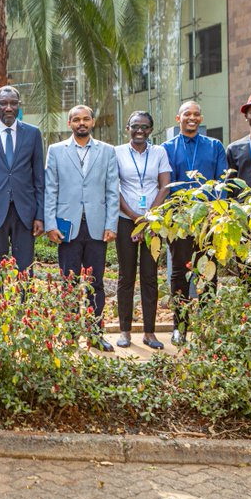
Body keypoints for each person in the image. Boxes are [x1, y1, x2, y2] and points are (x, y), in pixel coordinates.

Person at [43, 105, 119, 352]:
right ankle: (71, 335)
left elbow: (111, 190)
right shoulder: (55, 151)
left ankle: (96, 334)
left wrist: (111, 224)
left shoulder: (107, 151)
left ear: (93, 122)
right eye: (76, 119)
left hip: (97, 227)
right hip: (68, 227)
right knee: (69, 283)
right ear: (70, 124)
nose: (81, 123)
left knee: (96, 283)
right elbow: (50, 189)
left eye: (86, 119)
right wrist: (50, 224)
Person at [162, 100, 228, 347]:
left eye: (196, 114)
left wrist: (215, 213)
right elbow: (165, 185)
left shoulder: (215, 147)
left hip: (208, 222)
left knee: (208, 274)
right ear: (178, 119)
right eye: (186, 114)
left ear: (201, 119)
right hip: (179, 224)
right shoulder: (167, 148)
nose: (192, 118)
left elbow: (221, 184)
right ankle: (180, 327)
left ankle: (208, 328)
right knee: (179, 275)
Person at [114, 111, 171, 350]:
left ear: (150, 130)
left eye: (145, 127)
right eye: (135, 126)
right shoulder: (116, 152)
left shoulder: (159, 152)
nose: (140, 130)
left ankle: (150, 332)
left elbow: (165, 185)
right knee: (126, 276)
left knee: (149, 276)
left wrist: (147, 218)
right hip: (126, 219)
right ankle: (125, 331)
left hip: (152, 221)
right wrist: (134, 216)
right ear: (127, 127)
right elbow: (113, 188)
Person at [0, 86, 45, 272]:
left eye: (13, 103)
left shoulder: (33, 133)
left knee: (25, 271)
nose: (9, 108)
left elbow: (39, 178)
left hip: (25, 213)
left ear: (19, 105)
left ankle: (24, 302)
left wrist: (40, 215)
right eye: (3, 103)